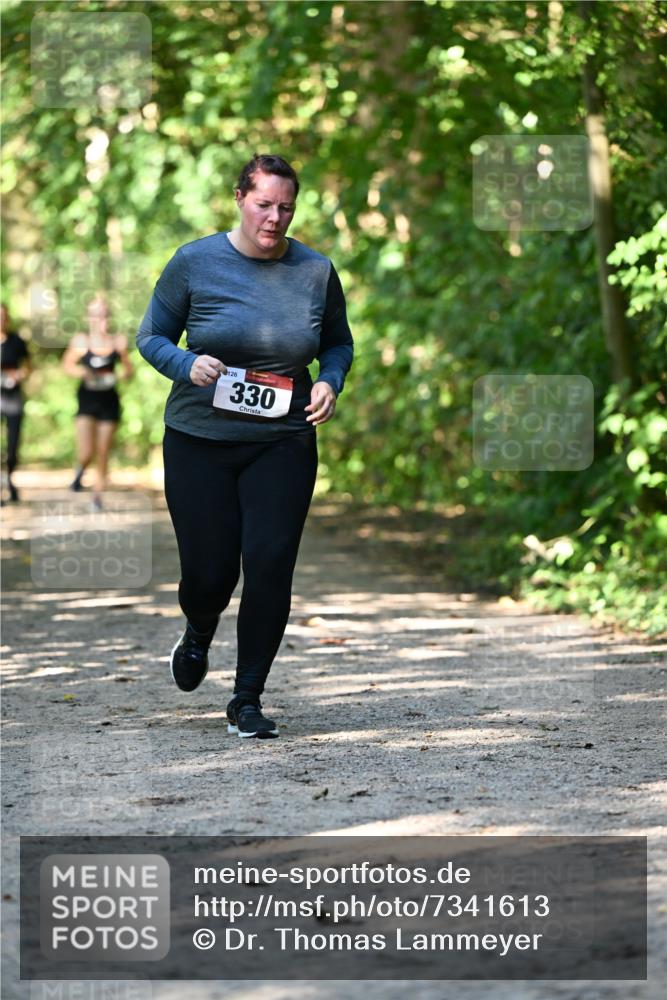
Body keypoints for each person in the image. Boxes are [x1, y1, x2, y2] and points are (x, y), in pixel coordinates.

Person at [136, 153, 354, 739]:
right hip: (198, 439)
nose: (276, 218)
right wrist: (187, 363)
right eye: (264, 204)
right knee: (209, 574)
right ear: (239, 198)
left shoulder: (314, 270)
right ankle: (199, 628)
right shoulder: (195, 262)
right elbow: (150, 336)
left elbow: (336, 343)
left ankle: (247, 697)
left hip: (282, 439)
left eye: (286, 207)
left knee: (270, 565)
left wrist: (331, 380)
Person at [62, 294, 133, 509]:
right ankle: (81, 468)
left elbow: (129, 371)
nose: (99, 319)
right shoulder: (81, 341)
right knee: (86, 452)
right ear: (88, 317)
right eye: (95, 315)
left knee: (103, 450)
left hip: (109, 402)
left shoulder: (117, 342)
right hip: (87, 402)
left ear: (109, 317)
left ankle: (97, 496)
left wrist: (117, 376)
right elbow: (67, 366)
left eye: (103, 314)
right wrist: (84, 372)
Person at [0, 303, 31, 503]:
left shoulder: (17, 341)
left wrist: (18, 375)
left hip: (13, 397)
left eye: (3, 316)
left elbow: (28, 367)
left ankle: (9, 479)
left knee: (12, 445)